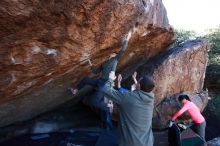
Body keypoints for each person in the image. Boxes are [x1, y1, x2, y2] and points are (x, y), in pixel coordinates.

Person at [70, 30, 134, 130]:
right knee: (86, 79)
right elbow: (96, 71)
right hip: (100, 81)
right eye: (111, 53)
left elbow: (122, 50)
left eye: (113, 53)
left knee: (94, 101)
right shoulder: (105, 62)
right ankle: (76, 90)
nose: (112, 54)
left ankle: (108, 108)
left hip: (106, 84)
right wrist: (91, 65)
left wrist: (126, 40)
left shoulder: (115, 60)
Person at [102, 71, 155, 146]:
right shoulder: (150, 98)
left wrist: (110, 79)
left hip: (130, 143)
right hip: (147, 142)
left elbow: (105, 90)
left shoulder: (128, 97)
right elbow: (140, 90)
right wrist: (135, 80)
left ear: (139, 85)